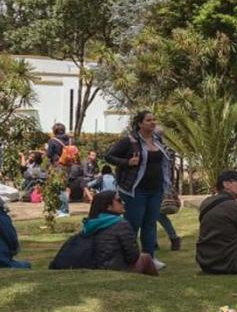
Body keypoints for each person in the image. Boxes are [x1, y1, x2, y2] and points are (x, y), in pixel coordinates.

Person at [104, 111, 173, 265]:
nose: (153, 122)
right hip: (136, 190)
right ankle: (128, 257)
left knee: (150, 224)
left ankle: (149, 258)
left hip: (156, 189)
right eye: (149, 120)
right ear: (140, 123)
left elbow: (164, 163)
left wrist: (167, 186)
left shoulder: (157, 140)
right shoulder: (129, 141)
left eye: (154, 119)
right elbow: (108, 156)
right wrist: (127, 163)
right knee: (133, 224)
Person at [51, 190, 157, 274]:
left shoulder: (89, 224)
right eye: (119, 200)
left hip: (93, 265)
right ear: (108, 206)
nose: (123, 203)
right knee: (146, 258)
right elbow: (133, 256)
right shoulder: (121, 224)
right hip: (116, 269)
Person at [0, 197, 29, 269]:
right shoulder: (2, 217)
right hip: (2, 259)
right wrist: (14, 249)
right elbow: (9, 235)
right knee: (26, 265)